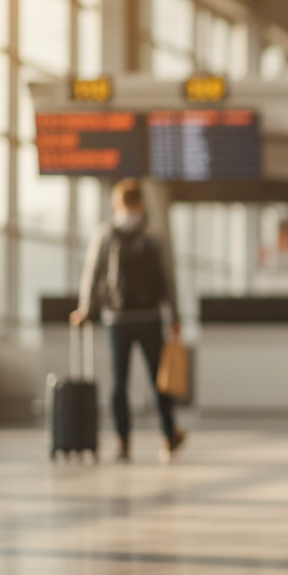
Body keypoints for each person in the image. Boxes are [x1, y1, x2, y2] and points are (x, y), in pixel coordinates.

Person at [72, 179, 186, 462]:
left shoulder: (105, 233)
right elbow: (168, 275)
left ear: (116, 203)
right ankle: (168, 435)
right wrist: (175, 313)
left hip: (117, 318)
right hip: (150, 316)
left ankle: (123, 441)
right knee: (159, 379)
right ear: (142, 203)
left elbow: (92, 272)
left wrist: (86, 308)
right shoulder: (153, 233)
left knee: (118, 381)